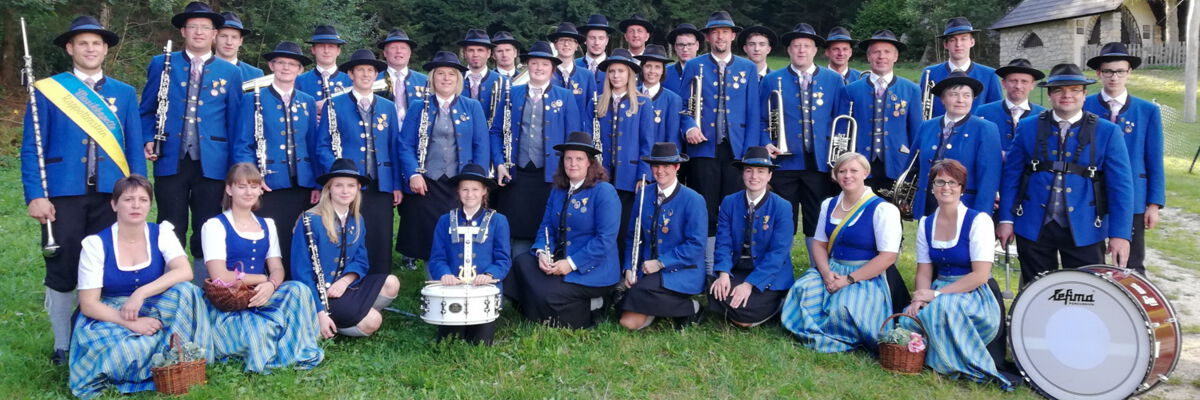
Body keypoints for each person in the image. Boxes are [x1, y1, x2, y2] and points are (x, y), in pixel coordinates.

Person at [23, 15, 147, 365]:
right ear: (70, 48)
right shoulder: (48, 90)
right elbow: (33, 147)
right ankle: (63, 344)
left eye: (97, 43)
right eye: (83, 43)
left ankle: (96, 337)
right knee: (62, 266)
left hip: (112, 195)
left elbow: (134, 148)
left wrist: (137, 191)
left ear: (105, 49)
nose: (90, 49)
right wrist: (35, 194)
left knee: (106, 267)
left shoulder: (124, 93)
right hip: (62, 195)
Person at [69, 175, 208, 398]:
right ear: (114, 204)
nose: (136, 205)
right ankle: (163, 359)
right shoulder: (96, 245)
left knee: (187, 291)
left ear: (150, 205)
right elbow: (88, 304)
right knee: (128, 350)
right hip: (111, 314)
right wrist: (130, 323)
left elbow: (185, 271)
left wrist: (141, 293)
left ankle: (177, 357)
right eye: (128, 199)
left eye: (143, 200)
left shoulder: (161, 233)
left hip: (152, 304)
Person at [997, 63, 1134, 284]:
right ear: (1050, 94)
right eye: (1059, 90)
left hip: (1086, 226)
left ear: (1084, 94)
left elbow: (1121, 188)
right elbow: (1011, 177)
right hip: (1033, 224)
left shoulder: (1108, 132)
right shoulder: (1028, 127)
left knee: (1085, 292)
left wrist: (1120, 234)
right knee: (1036, 290)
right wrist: (1006, 219)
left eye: (1074, 90)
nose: (1066, 95)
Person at [139, 1, 242, 272]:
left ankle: (203, 287)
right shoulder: (161, 64)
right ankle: (169, 287)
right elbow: (147, 110)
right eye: (193, 27)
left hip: (213, 162)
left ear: (214, 34)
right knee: (169, 223)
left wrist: (234, 165)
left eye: (205, 28)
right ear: (183, 31)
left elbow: (235, 122)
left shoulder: (231, 72)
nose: (199, 32)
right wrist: (148, 137)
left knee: (208, 225)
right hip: (170, 157)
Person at [901, 159, 1011, 389]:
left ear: (962, 188)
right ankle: (931, 358)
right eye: (939, 182)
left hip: (975, 293)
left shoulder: (978, 221)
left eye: (953, 182)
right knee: (907, 318)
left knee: (944, 308)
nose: (946, 187)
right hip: (939, 288)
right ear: (932, 187)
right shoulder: (926, 223)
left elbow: (981, 275)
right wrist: (919, 297)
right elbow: (924, 270)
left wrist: (937, 295)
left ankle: (948, 365)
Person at [202, 163, 323, 373]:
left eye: (253, 186)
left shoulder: (267, 224)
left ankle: (297, 347)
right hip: (230, 303)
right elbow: (219, 276)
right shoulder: (214, 225)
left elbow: (277, 268)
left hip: (262, 294)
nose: (249, 192)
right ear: (229, 189)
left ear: (260, 189)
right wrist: (261, 279)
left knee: (299, 290)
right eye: (241, 186)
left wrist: (271, 285)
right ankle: (278, 341)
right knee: (260, 330)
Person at [781, 152, 901, 352]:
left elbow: (888, 257)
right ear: (835, 176)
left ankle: (835, 334)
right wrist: (827, 273)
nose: (847, 176)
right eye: (841, 171)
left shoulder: (884, 209)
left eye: (854, 170)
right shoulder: (829, 204)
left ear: (865, 172)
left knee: (844, 306)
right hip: (833, 268)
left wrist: (848, 280)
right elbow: (819, 244)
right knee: (802, 289)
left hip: (866, 275)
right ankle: (821, 331)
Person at [506, 131, 620, 329]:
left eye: (578, 159)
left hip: (594, 269)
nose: (572, 163)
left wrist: (571, 263)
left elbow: (605, 240)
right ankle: (543, 305)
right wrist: (542, 251)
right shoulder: (558, 190)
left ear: (589, 163)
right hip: (560, 258)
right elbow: (546, 227)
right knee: (521, 264)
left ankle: (595, 306)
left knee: (546, 295)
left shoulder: (604, 191)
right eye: (568, 158)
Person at [681, 11, 762, 273]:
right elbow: (683, 106)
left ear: (733, 36)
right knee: (706, 206)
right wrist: (690, 126)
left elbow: (753, 111)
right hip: (703, 147)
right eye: (715, 32)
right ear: (707, 37)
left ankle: (731, 262)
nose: (720, 36)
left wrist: (749, 152)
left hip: (736, 148)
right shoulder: (695, 65)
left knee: (734, 206)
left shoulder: (747, 67)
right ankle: (706, 265)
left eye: (725, 32)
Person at [761, 23, 845, 264]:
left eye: (806, 46)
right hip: (784, 162)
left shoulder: (833, 80)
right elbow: (760, 118)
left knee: (816, 219)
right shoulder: (771, 80)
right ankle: (779, 269)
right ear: (788, 50)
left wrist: (837, 160)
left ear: (815, 50)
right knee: (782, 218)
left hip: (819, 164)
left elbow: (840, 121)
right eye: (796, 46)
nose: (801, 51)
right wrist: (767, 142)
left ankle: (817, 269)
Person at [232, 41, 320, 271]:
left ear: (300, 70)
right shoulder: (254, 99)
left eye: (292, 64)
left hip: (301, 183)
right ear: (272, 65)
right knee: (269, 237)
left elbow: (313, 144)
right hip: (268, 182)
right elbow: (243, 144)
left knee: (298, 238)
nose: (286, 68)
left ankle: (292, 285)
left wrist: (317, 183)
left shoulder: (307, 101)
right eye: (281, 63)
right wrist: (252, 178)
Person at [396, 51, 491, 263]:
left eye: (451, 74)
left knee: (458, 234)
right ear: (432, 77)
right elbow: (405, 145)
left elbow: (481, 146)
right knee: (428, 238)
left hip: (459, 182)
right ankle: (434, 281)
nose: (446, 78)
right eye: (440, 73)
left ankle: (461, 277)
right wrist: (413, 174)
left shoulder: (472, 107)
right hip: (426, 183)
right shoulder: (418, 107)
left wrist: (476, 180)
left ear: (458, 79)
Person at [291, 158, 401, 338]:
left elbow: (361, 260)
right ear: (328, 189)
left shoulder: (356, 219)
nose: (345, 191)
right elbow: (301, 273)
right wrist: (320, 311)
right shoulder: (310, 220)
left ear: (358, 189)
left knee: (391, 283)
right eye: (338, 185)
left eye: (351, 185)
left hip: (345, 288)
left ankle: (350, 313)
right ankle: (325, 322)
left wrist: (345, 281)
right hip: (320, 295)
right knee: (373, 321)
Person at [491, 41, 582, 256]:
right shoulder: (511, 94)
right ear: (527, 66)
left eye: (544, 64)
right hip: (517, 172)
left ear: (552, 69)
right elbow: (495, 132)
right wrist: (499, 163)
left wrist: (568, 170)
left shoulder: (565, 96)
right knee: (515, 228)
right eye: (534, 63)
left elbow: (574, 137)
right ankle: (513, 274)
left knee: (546, 224)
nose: (539, 68)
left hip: (550, 174)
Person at [316, 48, 402, 274]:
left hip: (380, 183)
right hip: (348, 185)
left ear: (376, 76)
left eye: (370, 70)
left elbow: (394, 147)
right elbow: (323, 145)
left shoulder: (388, 107)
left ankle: (380, 283)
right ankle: (347, 280)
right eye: (360, 70)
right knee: (349, 233)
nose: (365, 74)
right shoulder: (334, 104)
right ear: (351, 75)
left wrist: (396, 185)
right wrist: (336, 174)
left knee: (380, 234)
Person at [1083, 42, 1164, 275]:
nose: (1114, 77)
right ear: (1099, 73)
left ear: (1129, 72)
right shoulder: (1085, 106)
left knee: (1131, 262)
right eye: (1108, 71)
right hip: (1091, 195)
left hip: (1133, 196)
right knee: (1090, 260)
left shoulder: (1147, 110)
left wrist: (1154, 204)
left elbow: (1154, 159)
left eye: (1120, 71)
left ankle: (1134, 307)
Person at [619, 143, 707, 330]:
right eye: (656, 166)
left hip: (681, 271)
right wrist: (629, 267)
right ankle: (675, 308)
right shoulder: (643, 194)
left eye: (666, 166)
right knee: (628, 323)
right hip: (647, 270)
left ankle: (692, 307)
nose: (660, 171)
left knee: (633, 295)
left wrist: (660, 263)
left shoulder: (694, 199)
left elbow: (696, 245)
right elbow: (632, 236)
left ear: (677, 167)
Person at [707, 146, 794, 327]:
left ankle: (777, 304)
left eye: (761, 171)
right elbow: (723, 242)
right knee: (715, 289)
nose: (754, 176)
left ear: (770, 175)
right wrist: (723, 274)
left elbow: (778, 254)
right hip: (739, 268)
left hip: (769, 273)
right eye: (749, 171)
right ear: (743, 174)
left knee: (743, 316)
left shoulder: (782, 206)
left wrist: (749, 285)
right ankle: (745, 309)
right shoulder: (729, 202)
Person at [427, 163, 512, 345]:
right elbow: (437, 258)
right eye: (465, 189)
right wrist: (445, 274)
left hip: (483, 292)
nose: (469, 194)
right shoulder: (444, 221)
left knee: (480, 343)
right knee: (449, 343)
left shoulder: (498, 221)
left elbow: (503, 259)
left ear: (484, 192)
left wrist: (489, 275)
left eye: (475, 189)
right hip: (452, 291)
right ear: (458, 192)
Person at [908, 72, 1001, 218]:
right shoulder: (926, 126)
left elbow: (989, 178)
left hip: (966, 208)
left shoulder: (986, 128)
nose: (960, 100)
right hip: (928, 207)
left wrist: (981, 216)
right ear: (943, 99)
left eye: (966, 95)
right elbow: (911, 167)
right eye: (953, 95)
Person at [843, 30, 922, 193]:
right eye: (876, 52)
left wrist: (914, 166)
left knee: (893, 215)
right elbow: (843, 131)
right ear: (868, 57)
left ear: (896, 57)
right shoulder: (851, 90)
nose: (881, 56)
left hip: (897, 162)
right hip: (859, 163)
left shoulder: (911, 89)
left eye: (887, 52)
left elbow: (916, 132)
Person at [595, 49, 655, 251]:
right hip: (602, 174)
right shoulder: (597, 103)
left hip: (629, 177)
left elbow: (647, 143)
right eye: (611, 71)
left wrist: (643, 175)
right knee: (601, 223)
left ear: (630, 74)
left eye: (621, 71)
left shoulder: (643, 103)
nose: (616, 76)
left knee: (624, 225)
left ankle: (624, 269)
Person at [921, 17, 1002, 118]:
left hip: (976, 133)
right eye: (952, 40)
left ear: (972, 42)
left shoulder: (989, 75)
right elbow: (922, 111)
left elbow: (996, 112)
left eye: (963, 39)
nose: (958, 44)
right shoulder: (930, 73)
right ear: (946, 44)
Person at [976, 59, 1046, 153]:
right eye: (1013, 81)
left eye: (1024, 81)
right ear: (1004, 83)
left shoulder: (1043, 115)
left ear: (1032, 85)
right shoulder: (984, 112)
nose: (1018, 86)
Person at [635, 44, 698, 149]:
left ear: (663, 71)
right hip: (634, 159)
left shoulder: (673, 99)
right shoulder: (631, 95)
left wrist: (669, 162)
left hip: (660, 159)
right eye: (648, 66)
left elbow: (673, 137)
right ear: (642, 68)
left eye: (657, 67)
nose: (652, 71)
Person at [376, 29, 429, 135]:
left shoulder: (425, 81)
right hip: (382, 134)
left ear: (410, 53)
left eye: (403, 48)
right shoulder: (374, 80)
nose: (398, 51)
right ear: (385, 53)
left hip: (415, 136)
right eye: (393, 48)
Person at [548, 22, 597, 120]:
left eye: (570, 41)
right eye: (562, 40)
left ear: (576, 46)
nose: (566, 44)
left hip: (578, 132)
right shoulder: (546, 73)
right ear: (555, 44)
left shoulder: (587, 76)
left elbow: (591, 109)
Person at [459, 29, 509, 125]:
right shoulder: (453, 80)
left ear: (489, 53)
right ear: (464, 53)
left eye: (480, 50)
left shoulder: (503, 82)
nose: (475, 55)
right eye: (471, 50)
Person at [295, 25, 351, 106]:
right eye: (321, 46)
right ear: (313, 50)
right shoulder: (300, 81)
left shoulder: (350, 81)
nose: (326, 51)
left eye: (331, 46)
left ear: (338, 51)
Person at [214, 11, 263, 80]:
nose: (229, 42)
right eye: (223, 36)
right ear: (214, 38)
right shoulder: (200, 69)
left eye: (234, 37)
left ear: (240, 41)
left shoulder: (254, 75)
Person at [664, 23, 703, 96]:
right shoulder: (665, 73)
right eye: (680, 45)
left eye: (689, 44)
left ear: (697, 45)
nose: (685, 49)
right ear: (675, 47)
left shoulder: (709, 70)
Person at [577, 14, 615, 84]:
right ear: (585, 40)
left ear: (607, 41)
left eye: (601, 38)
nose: (596, 42)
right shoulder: (574, 66)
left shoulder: (614, 67)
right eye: (592, 38)